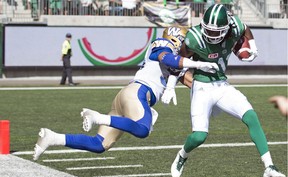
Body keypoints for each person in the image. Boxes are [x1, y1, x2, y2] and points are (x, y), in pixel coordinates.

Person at [33, 26, 218, 161]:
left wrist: (217, 96)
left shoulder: (176, 64)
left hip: (126, 98)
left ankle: (53, 137)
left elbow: (191, 81)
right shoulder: (163, 45)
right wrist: (194, 63)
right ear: (176, 38)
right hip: (137, 93)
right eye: (187, 44)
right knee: (143, 129)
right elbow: (167, 57)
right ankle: (98, 117)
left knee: (100, 145)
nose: (190, 49)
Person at [167, 4, 286, 177]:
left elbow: (246, 29)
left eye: (216, 32)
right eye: (209, 30)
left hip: (222, 85)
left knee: (251, 116)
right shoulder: (194, 38)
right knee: (199, 136)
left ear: (226, 28)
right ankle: (182, 155)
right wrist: (171, 84)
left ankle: (269, 166)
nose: (212, 35)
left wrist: (253, 46)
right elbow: (179, 61)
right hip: (201, 87)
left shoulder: (235, 26)